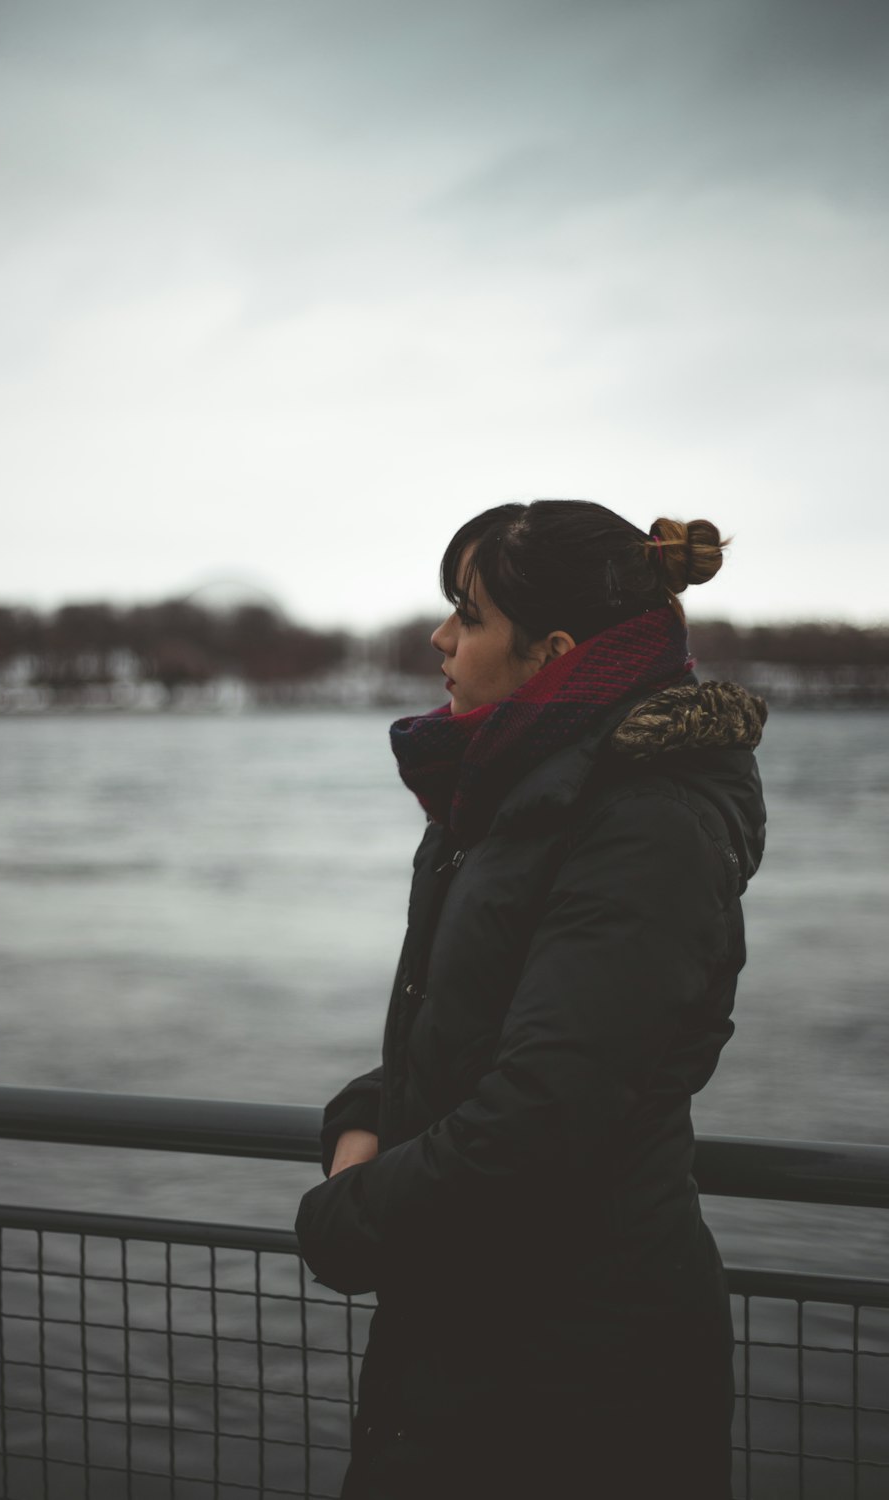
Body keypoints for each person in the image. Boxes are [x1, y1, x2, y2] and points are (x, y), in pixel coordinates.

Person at [295, 499, 767, 1499]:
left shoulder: (644, 825)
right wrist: (369, 1112)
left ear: (550, 651)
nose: (439, 638)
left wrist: (346, 1221)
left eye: (466, 615)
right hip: (484, 1333)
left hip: (580, 1375)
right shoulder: (517, 799)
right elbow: (471, 1032)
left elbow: (548, 1106)